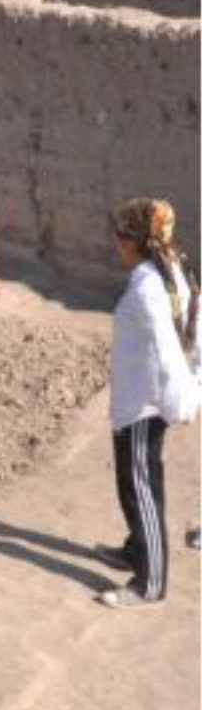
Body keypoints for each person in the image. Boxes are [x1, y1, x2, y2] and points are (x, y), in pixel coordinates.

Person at [94, 198, 199, 608]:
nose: (116, 243)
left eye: (121, 236)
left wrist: (181, 398)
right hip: (140, 398)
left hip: (145, 403)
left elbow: (168, 347)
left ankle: (150, 582)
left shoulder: (147, 283)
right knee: (131, 482)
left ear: (135, 240)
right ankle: (136, 550)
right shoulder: (171, 268)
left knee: (141, 488)